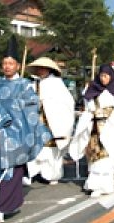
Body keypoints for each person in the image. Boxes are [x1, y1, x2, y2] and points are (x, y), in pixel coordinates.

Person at [0, 35, 51, 223]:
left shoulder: (25, 85)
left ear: (17, 65)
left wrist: (10, 113)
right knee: (1, 169)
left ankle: (2, 209)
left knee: (10, 170)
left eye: (11, 63)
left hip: (17, 134)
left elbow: (32, 107)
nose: (7, 66)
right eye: (4, 63)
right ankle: (9, 202)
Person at [69, 64, 114, 197]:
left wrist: (110, 125)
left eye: (106, 76)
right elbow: (88, 108)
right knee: (94, 157)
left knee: (106, 159)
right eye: (101, 75)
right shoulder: (93, 89)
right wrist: (88, 117)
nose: (103, 79)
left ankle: (105, 186)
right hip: (94, 128)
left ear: (111, 77)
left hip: (109, 129)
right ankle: (93, 184)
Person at [22, 57, 75, 185]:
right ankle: (34, 172)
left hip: (52, 122)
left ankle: (51, 174)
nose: (40, 71)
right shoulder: (33, 83)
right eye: (38, 68)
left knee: (50, 150)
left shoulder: (56, 84)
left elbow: (66, 103)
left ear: (49, 69)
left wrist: (47, 105)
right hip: (36, 121)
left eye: (42, 68)